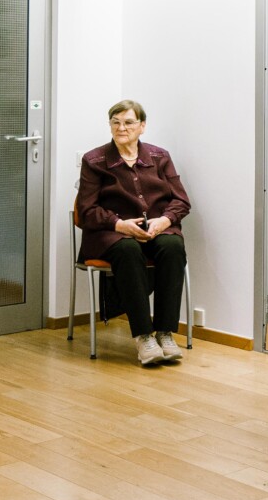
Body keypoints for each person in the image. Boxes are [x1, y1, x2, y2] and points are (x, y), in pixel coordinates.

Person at [76, 99, 191, 367]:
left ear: (142, 126)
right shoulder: (94, 160)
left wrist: (164, 221)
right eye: (115, 122)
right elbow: (86, 210)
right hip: (111, 233)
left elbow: (181, 201)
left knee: (173, 247)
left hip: (156, 229)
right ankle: (143, 337)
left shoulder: (160, 157)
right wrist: (119, 224)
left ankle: (164, 332)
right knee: (127, 249)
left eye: (128, 122)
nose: (121, 128)